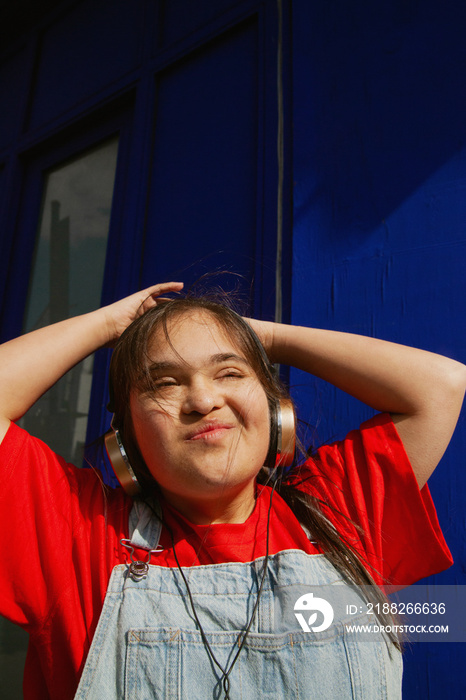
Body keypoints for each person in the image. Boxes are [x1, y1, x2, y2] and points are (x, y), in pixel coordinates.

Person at [0, 281, 464, 700]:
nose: (203, 400)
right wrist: (108, 322)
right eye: (163, 383)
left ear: (275, 410)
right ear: (125, 440)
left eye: (230, 374)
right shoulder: (81, 534)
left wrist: (265, 337)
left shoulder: (337, 507)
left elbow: (441, 387)